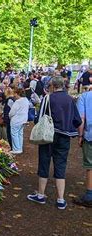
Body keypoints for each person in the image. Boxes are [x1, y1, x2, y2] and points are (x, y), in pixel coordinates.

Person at [27, 77, 82, 210]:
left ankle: (41, 195)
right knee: (61, 164)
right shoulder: (70, 99)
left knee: (44, 162)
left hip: (48, 136)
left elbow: (39, 118)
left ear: (52, 85)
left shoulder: (47, 98)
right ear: (63, 85)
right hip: (64, 137)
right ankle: (61, 199)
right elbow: (77, 120)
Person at [75, 85, 92, 207]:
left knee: (90, 166)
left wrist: (80, 136)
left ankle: (89, 195)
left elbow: (81, 118)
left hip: (89, 136)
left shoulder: (84, 97)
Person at [8, 89, 29, 154]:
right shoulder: (26, 100)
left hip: (16, 120)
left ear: (17, 94)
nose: (14, 95)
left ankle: (16, 149)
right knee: (20, 134)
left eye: (15, 94)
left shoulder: (18, 102)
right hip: (23, 120)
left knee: (14, 134)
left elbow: (12, 112)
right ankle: (20, 148)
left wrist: (9, 116)